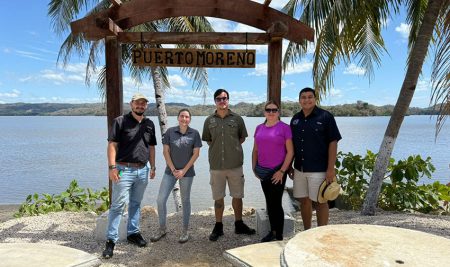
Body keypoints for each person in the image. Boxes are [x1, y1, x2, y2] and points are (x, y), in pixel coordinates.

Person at [102, 92, 157, 258]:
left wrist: (153, 166)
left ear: (146, 106)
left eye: (143, 103)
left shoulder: (149, 124)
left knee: (135, 203)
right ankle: (111, 241)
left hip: (143, 169)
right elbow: (112, 145)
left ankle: (133, 233)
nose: (140, 106)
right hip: (123, 169)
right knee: (118, 205)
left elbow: (152, 147)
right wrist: (112, 167)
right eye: (137, 103)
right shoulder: (120, 121)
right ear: (131, 104)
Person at [202, 88, 256, 241]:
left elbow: (242, 138)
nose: (222, 101)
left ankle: (239, 224)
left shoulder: (237, 119)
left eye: (224, 98)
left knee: (237, 196)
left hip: (235, 165)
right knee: (218, 197)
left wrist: (231, 149)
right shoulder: (209, 121)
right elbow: (208, 140)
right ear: (215, 101)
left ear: (228, 100)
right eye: (219, 98)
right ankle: (218, 227)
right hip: (216, 165)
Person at [290, 87, 342, 230]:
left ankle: (321, 233)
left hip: (319, 169)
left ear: (315, 99)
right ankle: (307, 232)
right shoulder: (295, 119)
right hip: (299, 168)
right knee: (304, 201)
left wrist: (330, 169)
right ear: (299, 100)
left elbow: (333, 142)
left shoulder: (326, 117)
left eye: (309, 97)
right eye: (303, 97)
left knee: (321, 201)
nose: (306, 100)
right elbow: (292, 145)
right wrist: (289, 166)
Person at [151, 109, 202, 244]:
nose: (184, 119)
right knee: (160, 200)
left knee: (185, 201)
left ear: (189, 119)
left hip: (187, 173)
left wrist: (183, 171)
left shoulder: (195, 133)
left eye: (187, 117)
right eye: (182, 116)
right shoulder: (170, 132)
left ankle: (185, 231)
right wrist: (174, 169)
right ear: (178, 118)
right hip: (170, 171)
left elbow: (196, 154)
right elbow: (165, 151)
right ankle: (162, 229)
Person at [252, 100, 294, 242]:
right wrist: (254, 167)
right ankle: (272, 231)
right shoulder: (259, 128)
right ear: (264, 112)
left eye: (274, 110)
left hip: (277, 171)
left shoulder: (284, 128)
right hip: (262, 171)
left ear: (278, 112)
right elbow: (255, 150)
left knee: (276, 203)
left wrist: (282, 171)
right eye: (268, 110)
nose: (271, 112)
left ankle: (279, 235)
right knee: (269, 202)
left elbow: (290, 152)